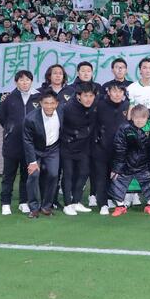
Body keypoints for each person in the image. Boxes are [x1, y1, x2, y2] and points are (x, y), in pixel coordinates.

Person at [108, 105, 150, 216]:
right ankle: (120, 206)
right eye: (136, 117)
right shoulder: (124, 128)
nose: (139, 120)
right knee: (116, 178)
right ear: (132, 117)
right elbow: (120, 149)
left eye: (142, 117)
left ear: (147, 117)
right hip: (126, 165)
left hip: (145, 165)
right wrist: (117, 168)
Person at [0, 70, 38, 215]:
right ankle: (5, 203)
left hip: (30, 145)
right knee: (8, 175)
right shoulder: (9, 99)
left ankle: (23, 202)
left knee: (26, 176)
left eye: (27, 80)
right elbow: (2, 118)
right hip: (12, 144)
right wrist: (11, 130)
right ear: (16, 82)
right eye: (21, 80)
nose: (24, 82)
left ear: (31, 81)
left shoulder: (38, 97)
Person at [59, 83, 97, 215]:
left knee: (84, 173)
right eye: (85, 96)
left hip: (84, 147)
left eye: (91, 96)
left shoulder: (94, 106)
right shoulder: (69, 107)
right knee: (68, 174)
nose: (88, 99)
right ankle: (67, 204)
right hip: (68, 146)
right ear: (78, 96)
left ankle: (76, 201)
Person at [92, 83, 129, 215]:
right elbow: (93, 124)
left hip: (120, 150)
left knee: (117, 176)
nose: (117, 94)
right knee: (102, 176)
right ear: (109, 92)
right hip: (101, 148)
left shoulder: (127, 106)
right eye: (114, 91)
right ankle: (103, 204)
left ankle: (116, 199)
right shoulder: (100, 105)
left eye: (120, 91)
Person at [23, 92, 61, 218]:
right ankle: (33, 208)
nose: (49, 106)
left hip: (53, 149)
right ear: (40, 104)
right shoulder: (31, 118)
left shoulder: (62, 113)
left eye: (52, 103)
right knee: (33, 175)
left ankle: (46, 207)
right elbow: (27, 141)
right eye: (46, 103)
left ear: (57, 104)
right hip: (35, 149)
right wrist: (32, 162)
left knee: (54, 174)